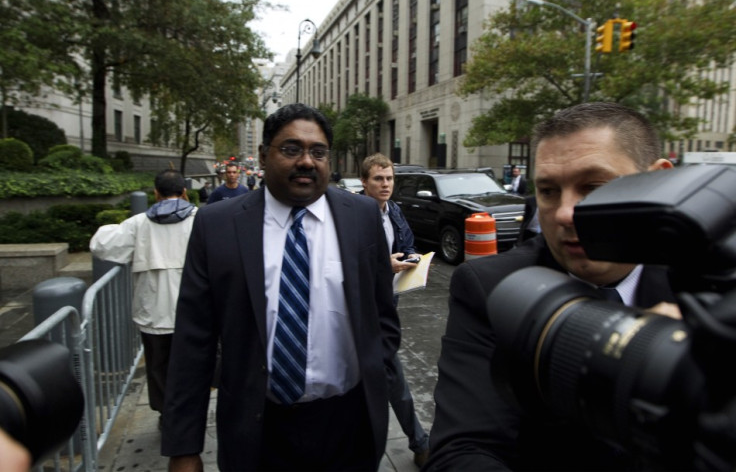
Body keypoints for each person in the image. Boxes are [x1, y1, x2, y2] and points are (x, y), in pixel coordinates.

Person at [425, 102, 677, 471]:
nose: (563, 214)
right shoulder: (491, 289)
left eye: (593, 187)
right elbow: (463, 449)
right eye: (548, 190)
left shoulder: (710, 279)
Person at [161, 103, 401, 471]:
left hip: (349, 425)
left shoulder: (362, 217)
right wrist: (184, 447)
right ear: (263, 154)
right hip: (257, 430)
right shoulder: (216, 225)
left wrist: (377, 374)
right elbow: (194, 341)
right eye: (291, 149)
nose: (307, 161)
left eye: (318, 152)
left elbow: (383, 313)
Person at [90, 169, 197, 426]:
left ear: (155, 194)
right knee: (192, 367)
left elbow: (101, 245)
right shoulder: (201, 219)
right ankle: (190, 412)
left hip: (153, 313)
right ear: (185, 192)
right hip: (193, 312)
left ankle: (165, 414)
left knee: (158, 369)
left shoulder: (138, 224)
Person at [360, 153, 431, 467]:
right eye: (378, 178)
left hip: (390, 303)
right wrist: (381, 265)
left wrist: (413, 260)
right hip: (363, 307)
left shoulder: (395, 210)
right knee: (390, 371)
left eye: (389, 178)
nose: (385, 184)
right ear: (365, 182)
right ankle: (419, 442)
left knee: (377, 371)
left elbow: (407, 242)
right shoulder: (354, 215)